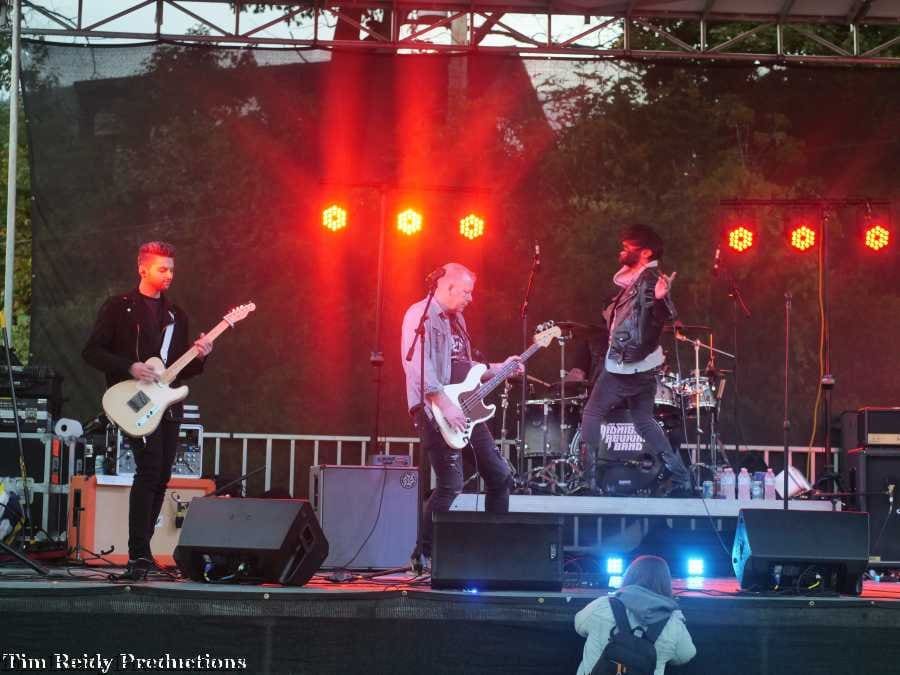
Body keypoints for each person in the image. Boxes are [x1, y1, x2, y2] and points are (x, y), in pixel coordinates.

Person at [83, 241, 213, 580]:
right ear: (142, 269)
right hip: (135, 401)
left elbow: (180, 370)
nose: (169, 275)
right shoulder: (118, 307)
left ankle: (144, 552)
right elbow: (92, 351)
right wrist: (130, 366)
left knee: (162, 476)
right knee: (149, 469)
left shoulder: (176, 316)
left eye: (172, 269)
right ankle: (137, 554)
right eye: (162, 269)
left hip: (167, 406)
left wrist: (201, 355)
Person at [400, 263, 520, 571]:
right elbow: (417, 366)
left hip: (465, 408)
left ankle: (494, 553)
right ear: (448, 287)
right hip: (434, 410)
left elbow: (465, 369)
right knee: (450, 484)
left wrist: (500, 368)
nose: (470, 298)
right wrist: (443, 403)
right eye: (466, 292)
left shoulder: (459, 321)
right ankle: (422, 555)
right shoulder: (420, 315)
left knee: (499, 476)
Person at [580, 225, 693, 495]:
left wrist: (661, 300)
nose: (622, 250)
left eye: (628, 246)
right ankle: (680, 476)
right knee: (643, 420)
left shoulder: (650, 281)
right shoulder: (639, 278)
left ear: (646, 252)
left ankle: (587, 481)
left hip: (627, 364)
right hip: (644, 364)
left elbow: (663, 313)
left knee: (592, 413)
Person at [575, 555, 696, 675]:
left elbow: (579, 626)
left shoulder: (602, 606)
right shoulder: (673, 623)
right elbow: (685, 655)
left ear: (629, 576)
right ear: (666, 583)